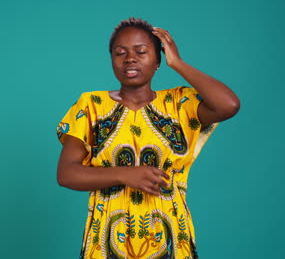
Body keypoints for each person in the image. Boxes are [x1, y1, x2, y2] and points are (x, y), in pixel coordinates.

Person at [56, 17, 240, 259]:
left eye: (141, 52)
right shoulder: (91, 106)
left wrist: (178, 63)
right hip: (106, 241)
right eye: (120, 53)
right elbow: (66, 174)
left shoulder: (179, 104)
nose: (130, 58)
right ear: (112, 60)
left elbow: (229, 105)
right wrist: (124, 173)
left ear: (158, 60)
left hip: (170, 236)